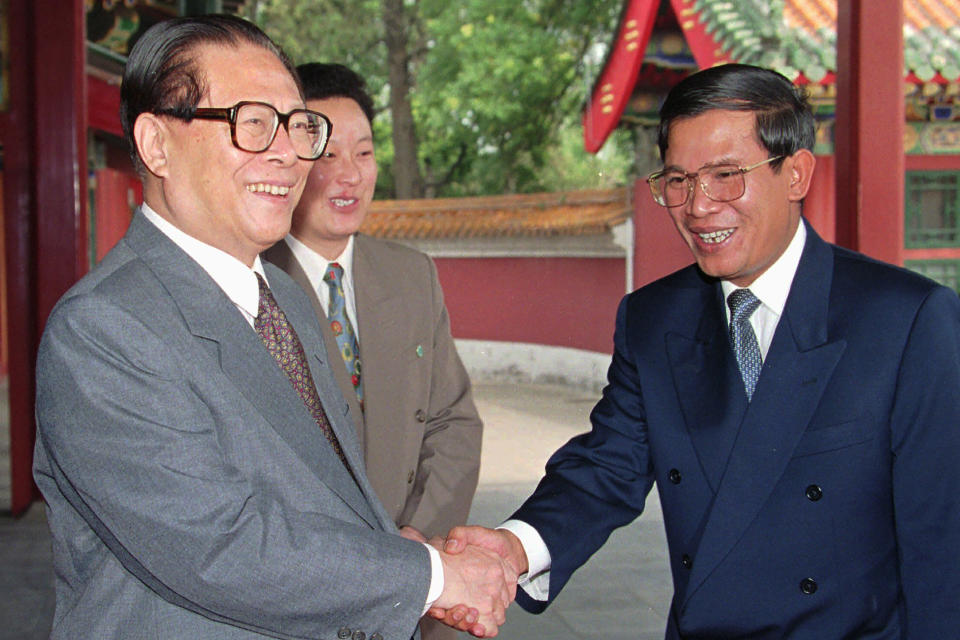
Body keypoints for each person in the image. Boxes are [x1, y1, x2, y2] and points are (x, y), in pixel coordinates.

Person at [32, 14, 513, 639]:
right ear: (156, 145)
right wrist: (433, 576)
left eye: (297, 125)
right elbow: (220, 548)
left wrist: (399, 552)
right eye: (253, 122)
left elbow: (324, 487)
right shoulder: (103, 330)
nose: (289, 154)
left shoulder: (278, 293)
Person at [441, 63, 960, 638]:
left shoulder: (905, 319)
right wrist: (513, 547)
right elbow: (607, 466)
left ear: (796, 174)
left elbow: (942, 542)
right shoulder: (654, 318)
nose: (698, 206)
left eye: (726, 175)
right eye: (679, 180)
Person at [262, 62, 484, 640]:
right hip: (309, 593)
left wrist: (415, 540)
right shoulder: (252, 284)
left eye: (364, 154)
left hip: (416, 577)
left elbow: (453, 422)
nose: (349, 175)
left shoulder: (411, 274)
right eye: (328, 154)